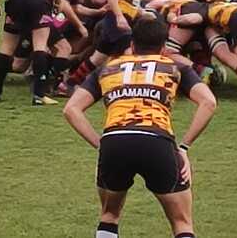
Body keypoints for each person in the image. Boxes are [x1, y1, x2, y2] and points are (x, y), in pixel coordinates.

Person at [63, 17, 217, 238]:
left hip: (115, 141)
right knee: (182, 222)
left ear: (132, 45)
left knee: (109, 215)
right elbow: (208, 102)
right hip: (157, 140)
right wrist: (183, 147)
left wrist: (101, 144)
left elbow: (71, 109)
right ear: (164, 47)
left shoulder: (107, 69)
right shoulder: (175, 67)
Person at [65, 0, 160, 88]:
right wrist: (119, 16)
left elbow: (129, 3)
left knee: (97, 58)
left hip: (117, 22)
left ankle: (67, 84)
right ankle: (134, 87)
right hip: (118, 22)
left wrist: (143, 13)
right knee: (130, 54)